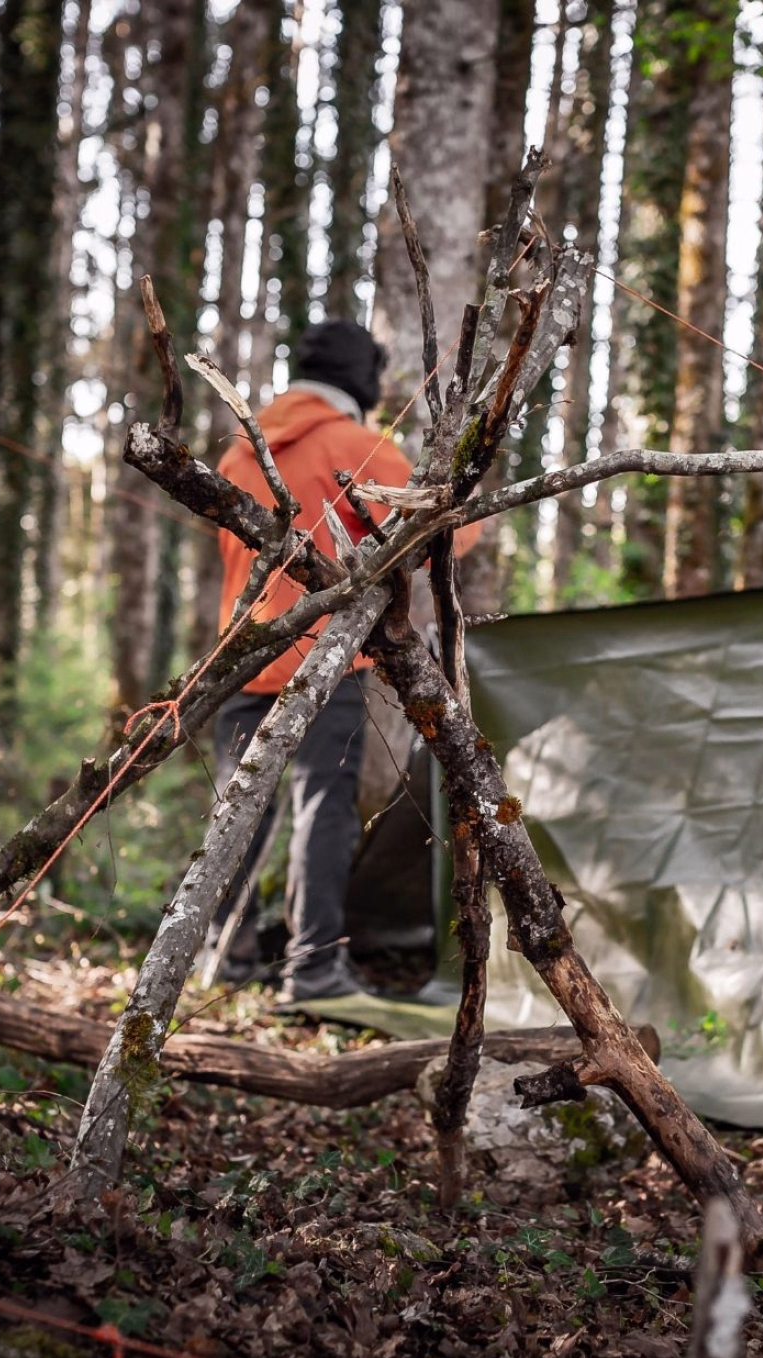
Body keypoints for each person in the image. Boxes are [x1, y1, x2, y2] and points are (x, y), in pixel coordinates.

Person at [202, 319, 476, 1006]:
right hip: (324, 659)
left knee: (237, 811)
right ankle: (313, 967)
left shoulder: (244, 449)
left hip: (242, 654)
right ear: (362, 378)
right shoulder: (352, 444)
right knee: (323, 811)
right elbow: (451, 531)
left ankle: (223, 955)